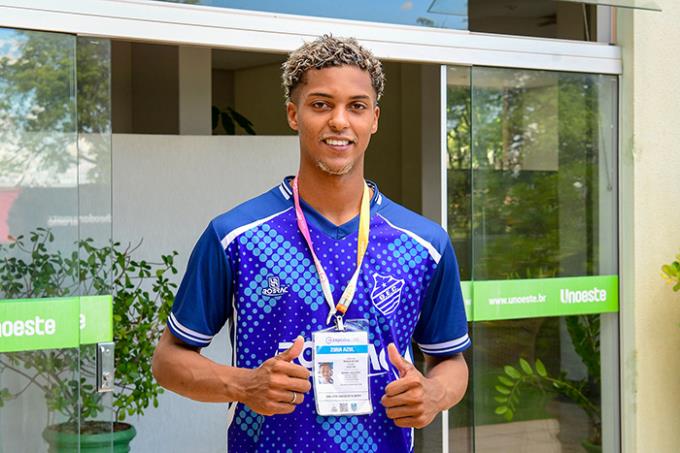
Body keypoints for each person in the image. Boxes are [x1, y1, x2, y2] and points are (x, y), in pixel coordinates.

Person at [152, 35, 470, 453]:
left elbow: (450, 360)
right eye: (321, 104)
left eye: (356, 106)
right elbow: (168, 360)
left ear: (374, 118)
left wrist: (435, 394)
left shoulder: (424, 243)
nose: (339, 121)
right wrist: (244, 384)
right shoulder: (236, 236)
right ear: (293, 114)